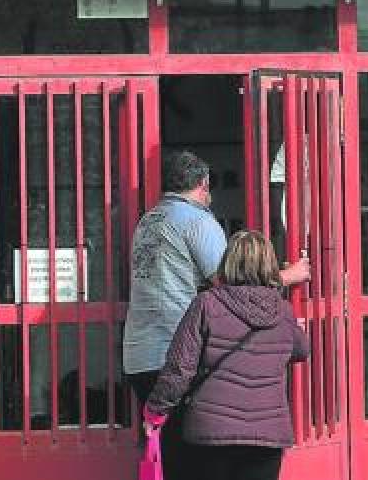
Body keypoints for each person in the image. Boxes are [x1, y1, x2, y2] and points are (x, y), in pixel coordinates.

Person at [123, 150, 309, 479]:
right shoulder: (197, 221)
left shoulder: (147, 221)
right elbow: (233, 283)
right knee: (193, 460)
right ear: (203, 185)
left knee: (171, 457)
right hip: (175, 352)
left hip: (139, 352)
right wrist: (291, 275)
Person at [142, 230, 309, 480]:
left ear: (228, 262)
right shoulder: (283, 311)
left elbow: (180, 368)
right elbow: (301, 350)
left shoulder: (206, 304)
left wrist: (155, 410)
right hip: (267, 434)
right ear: (270, 265)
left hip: (212, 432)